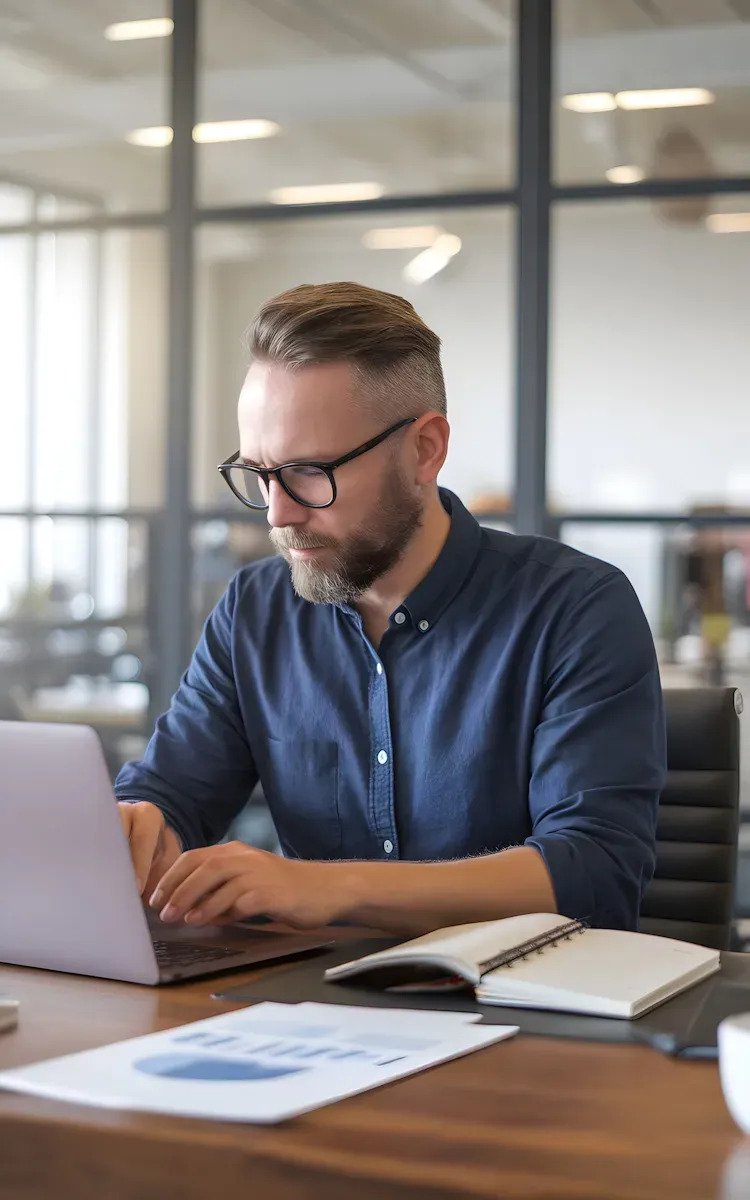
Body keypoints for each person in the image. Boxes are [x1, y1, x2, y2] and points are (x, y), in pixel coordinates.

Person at [116, 281, 666, 937]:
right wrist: (138, 821)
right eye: (260, 473)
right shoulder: (254, 609)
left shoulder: (574, 609)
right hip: (313, 1007)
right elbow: (172, 794)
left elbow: (595, 873)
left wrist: (326, 886)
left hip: (525, 1017)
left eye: (309, 472)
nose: (278, 513)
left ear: (425, 450)